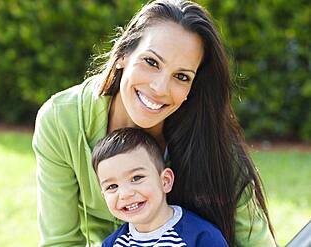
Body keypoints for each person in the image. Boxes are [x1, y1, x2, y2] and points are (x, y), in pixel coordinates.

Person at [32, 0, 277, 246]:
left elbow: (256, 241)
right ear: (122, 55)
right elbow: (60, 241)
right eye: (151, 62)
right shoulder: (61, 121)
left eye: (181, 76)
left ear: (191, 88)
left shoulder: (210, 140)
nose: (159, 88)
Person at [92, 127, 229, 247]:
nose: (125, 194)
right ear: (103, 195)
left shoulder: (201, 237)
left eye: (136, 178)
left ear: (165, 181)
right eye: (112, 186)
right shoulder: (112, 243)